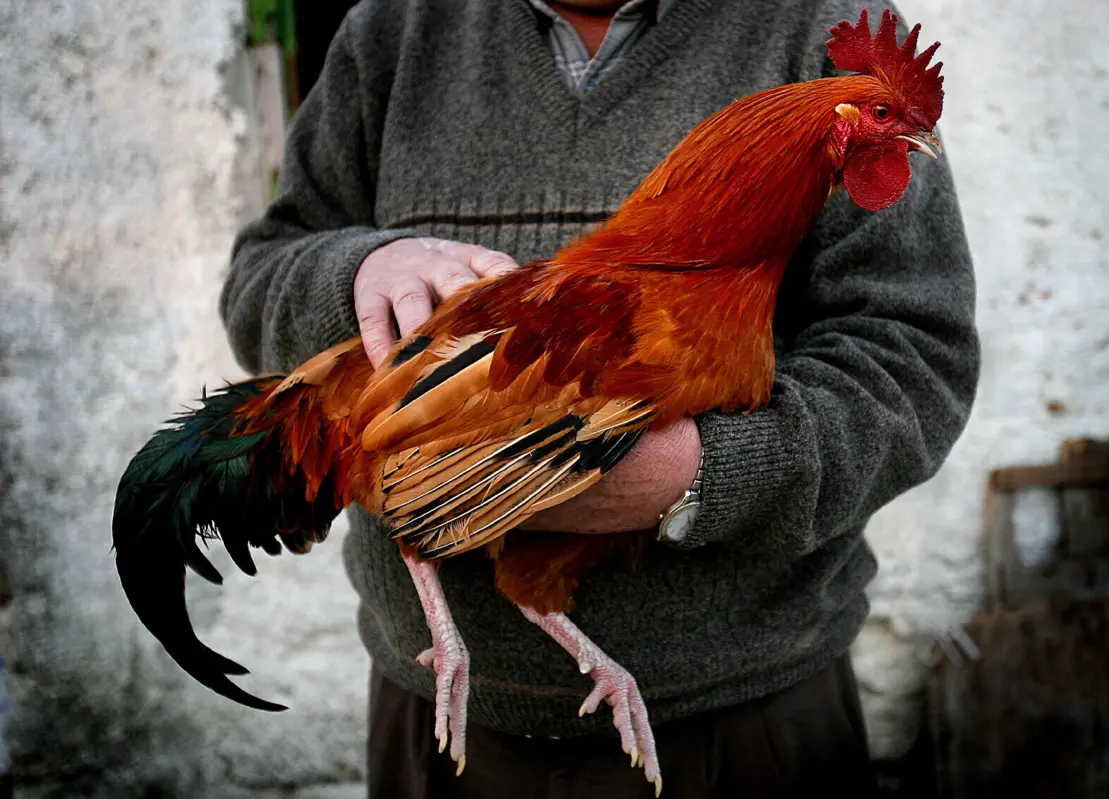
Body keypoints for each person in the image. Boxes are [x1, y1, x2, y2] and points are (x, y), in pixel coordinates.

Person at [220, 0, 979, 796]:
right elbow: (261, 273)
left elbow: (913, 363)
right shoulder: (390, 31)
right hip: (444, 727)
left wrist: (701, 476)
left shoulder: (816, 28)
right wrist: (356, 276)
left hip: (750, 721)